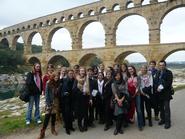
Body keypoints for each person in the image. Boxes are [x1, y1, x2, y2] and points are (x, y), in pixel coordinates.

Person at [37, 72, 59, 139]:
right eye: (55, 77)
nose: (56, 78)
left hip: (55, 102)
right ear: (52, 77)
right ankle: (42, 132)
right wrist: (48, 103)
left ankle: (53, 129)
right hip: (49, 102)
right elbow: (46, 94)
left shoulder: (57, 83)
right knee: (47, 117)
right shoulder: (48, 83)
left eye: (57, 77)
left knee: (53, 116)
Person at [156, 60, 173, 129]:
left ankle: (167, 122)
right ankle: (163, 120)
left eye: (163, 65)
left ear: (165, 65)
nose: (161, 66)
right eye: (160, 65)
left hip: (166, 93)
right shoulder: (158, 72)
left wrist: (160, 87)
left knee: (166, 108)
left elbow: (169, 82)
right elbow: (156, 81)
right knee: (161, 108)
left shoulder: (169, 72)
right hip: (159, 94)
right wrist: (157, 87)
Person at [127, 65, 144, 131]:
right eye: (129, 69)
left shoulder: (138, 77)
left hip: (137, 95)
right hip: (129, 95)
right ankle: (129, 120)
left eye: (131, 69)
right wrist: (129, 93)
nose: (130, 70)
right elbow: (126, 86)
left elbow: (139, 85)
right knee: (130, 109)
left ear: (133, 69)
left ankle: (140, 124)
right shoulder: (127, 77)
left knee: (138, 110)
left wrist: (136, 92)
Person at [73, 67, 90, 132]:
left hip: (86, 97)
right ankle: (80, 125)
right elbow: (74, 89)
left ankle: (85, 125)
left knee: (85, 113)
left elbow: (89, 88)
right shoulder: (76, 79)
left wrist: (88, 95)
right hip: (79, 98)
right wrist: (80, 91)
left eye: (83, 71)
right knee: (80, 113)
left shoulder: (87, 78)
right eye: (81, 71)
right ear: (79, 72)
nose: (82, 72)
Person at [59, 69, 75, 135]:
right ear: (68, 74)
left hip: (72, 100)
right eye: (70, 73)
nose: (71, 74)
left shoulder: (74, 80)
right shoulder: (64, 80)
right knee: (66, 114)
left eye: (72, 73)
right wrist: (64, 93)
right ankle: (67, 129)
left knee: (71, 114)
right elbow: (60, 90)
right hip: (65, 100)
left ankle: (71, 126)